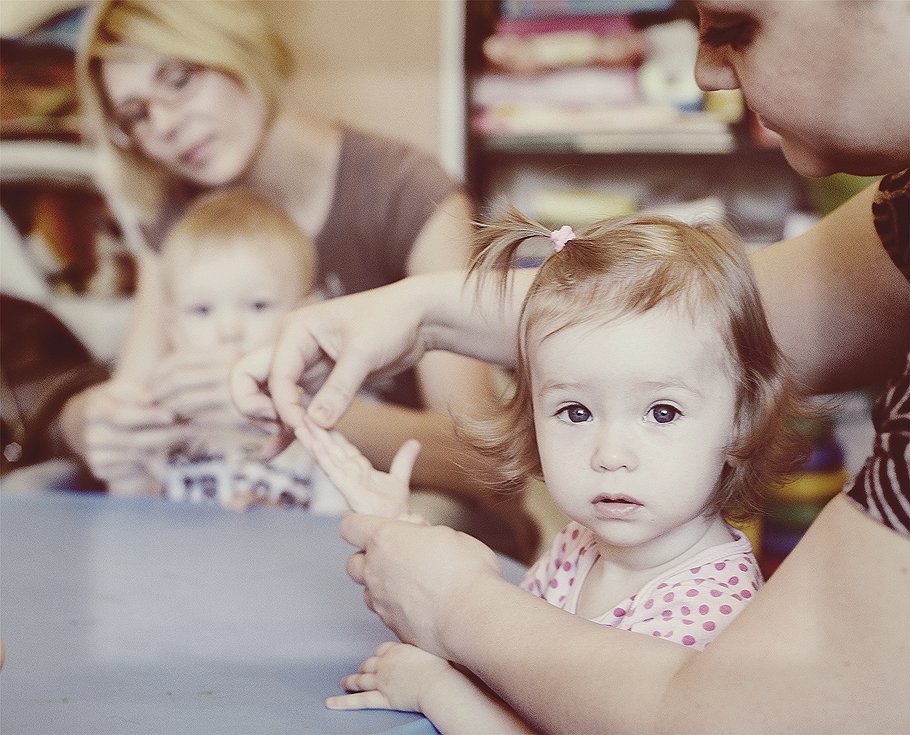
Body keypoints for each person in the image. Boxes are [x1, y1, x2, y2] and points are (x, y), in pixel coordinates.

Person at [231, 1, 910, 732]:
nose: (703, 70)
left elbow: (753, 712)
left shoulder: (698, 594)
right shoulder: (586, 543)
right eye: (575, 411)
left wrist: (454, 612)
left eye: (733, 26)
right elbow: (735, 318)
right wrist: (420, 310)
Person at [303, 210, 808, 732]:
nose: (610, 454)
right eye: (576, 412)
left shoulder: (709, 609)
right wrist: (401, 539)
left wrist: (435, 689)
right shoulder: (578, 546)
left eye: (662, 412)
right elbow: (511, 674)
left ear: (740, 420)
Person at [61, 1, 533, 554]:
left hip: (422, 515)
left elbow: (483, 461)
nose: (162, 125)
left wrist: (287, 403)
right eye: (136, 115)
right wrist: (87, 423)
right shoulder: (175, 216)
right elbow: (129, 399)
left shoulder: (409, 195)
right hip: (252, 524)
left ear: (242, 51)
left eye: (180, 79)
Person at [130, 186, 345, 513]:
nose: (228, 331)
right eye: (201, 311)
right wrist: (127, 472)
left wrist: (283, 527)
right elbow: (131, 516)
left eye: (258, 305)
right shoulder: (163, 423)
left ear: (307, 320)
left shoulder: (318, 423)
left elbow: (336, 528)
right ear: (173, 330)